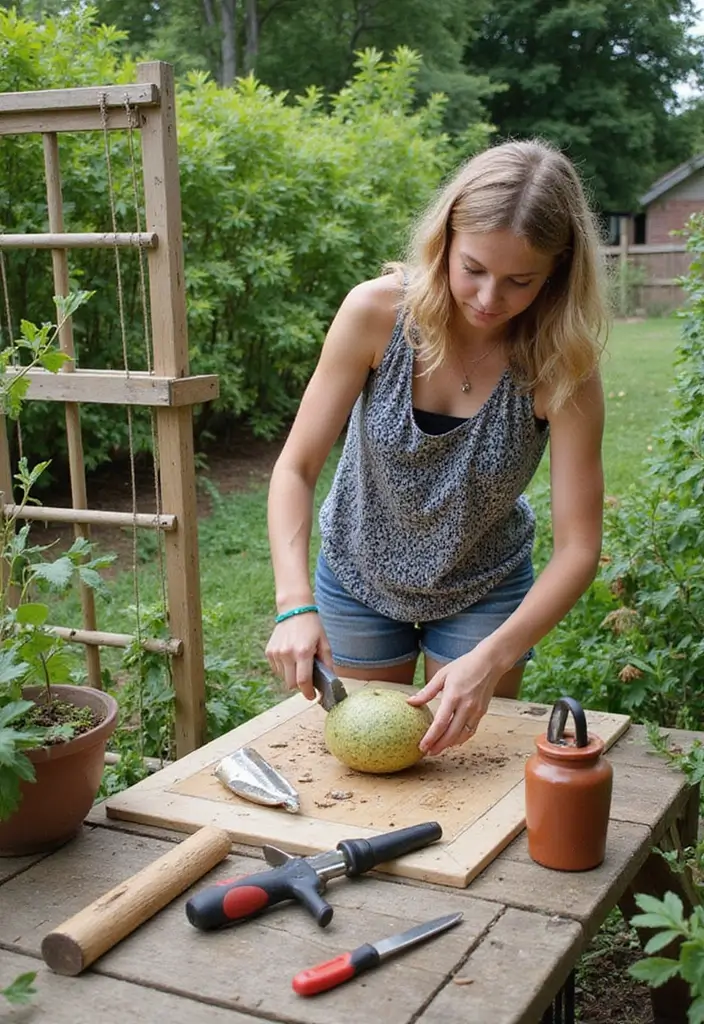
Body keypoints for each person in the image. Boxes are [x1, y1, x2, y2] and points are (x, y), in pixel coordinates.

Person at [265, 138, 607, 757]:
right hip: (358, 574)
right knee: (371, 756)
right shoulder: (376, 314)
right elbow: (296, 467)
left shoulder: (562, 364)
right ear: (444, 239)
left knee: (465, 762)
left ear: (556, 272)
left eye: (520, 281)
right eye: (473, 268)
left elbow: (579, 546)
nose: (489, 299)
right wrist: (294, 604)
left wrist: (493, 656)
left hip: (485, 586)